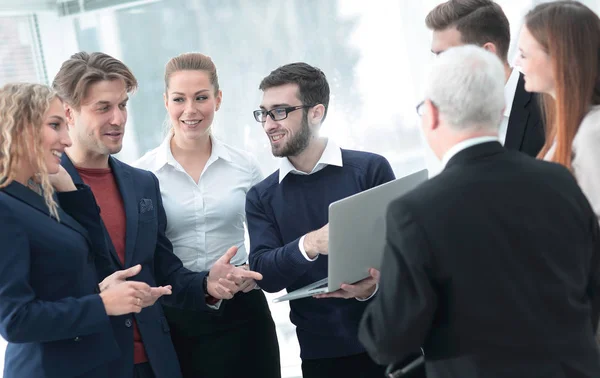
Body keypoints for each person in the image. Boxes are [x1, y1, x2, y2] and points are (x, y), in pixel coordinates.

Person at [358, 45, 600, 378]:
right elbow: (592, 286)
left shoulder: (414, 212)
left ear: (431, 114)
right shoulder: (558, 178)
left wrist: (394, 285)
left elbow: (388, 342)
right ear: (500, 107)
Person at [51, 52, 262, 378]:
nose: (119, 119)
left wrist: (208, 282)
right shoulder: (40, 189)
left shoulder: (141, 183)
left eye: (122, 105)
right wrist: (99, 301)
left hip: (155, 360)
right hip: (81, 362)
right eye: (104, 108)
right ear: (68, 112)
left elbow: (164, 269)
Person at [134, 52, 280, 378]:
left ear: (218, 98)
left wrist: (251, 269)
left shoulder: (245, 167)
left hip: (243, 312)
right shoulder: (142, 176)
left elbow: (268, 241)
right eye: (179, 99)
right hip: (177, 317)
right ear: (165, 102)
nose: (191, 110)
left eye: (201, 97)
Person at [245, 62, 394, 378]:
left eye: (280, 111)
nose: (269, 124)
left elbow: (406, 256)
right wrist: (308, 244)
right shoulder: (262, 196)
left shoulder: (370, 170)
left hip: (394, 345)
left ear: (316, 113)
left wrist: (372, 286)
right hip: (322, 360)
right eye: (264, 113)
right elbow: (264, 274)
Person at [0, 83, 158, 378]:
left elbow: (83, 266)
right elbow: (15, 320)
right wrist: (102, 304)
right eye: (55, 125)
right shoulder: (4, 207)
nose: (66, 140)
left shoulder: (35, 195)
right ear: (20, 127)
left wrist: (72, 192)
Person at [516, 0, 600, 344]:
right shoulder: (563, 133)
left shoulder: (593, 134)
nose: (515, 63)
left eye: (523, 53)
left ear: (559, 57)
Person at [425, 0, 544, 157]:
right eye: (436, 56)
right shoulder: (452, 116)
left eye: (445, 56)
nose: (438, 67)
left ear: (487, 53)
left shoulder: (548, 109)